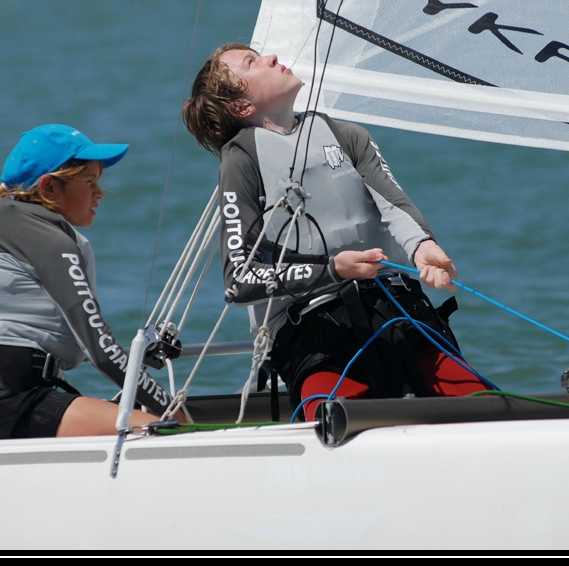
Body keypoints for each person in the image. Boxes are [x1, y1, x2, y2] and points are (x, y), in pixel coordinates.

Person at [182, 44, 490, 421]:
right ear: (241, 107)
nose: (272, 58)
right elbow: (240, 279)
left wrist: (422, 247)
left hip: (395, 315)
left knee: (484, 406)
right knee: (333, 420)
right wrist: (333, 270)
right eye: (253, 62)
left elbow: (392, 205)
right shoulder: (241, 160)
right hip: (314, 338)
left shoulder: (345, 135)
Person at [0, 124, 179, 439]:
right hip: (14, 395)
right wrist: (173, 409)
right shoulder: (43, 233)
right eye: (89, 181)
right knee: (162, 427)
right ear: (48, 188)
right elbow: (99, 347)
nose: (100, 193)